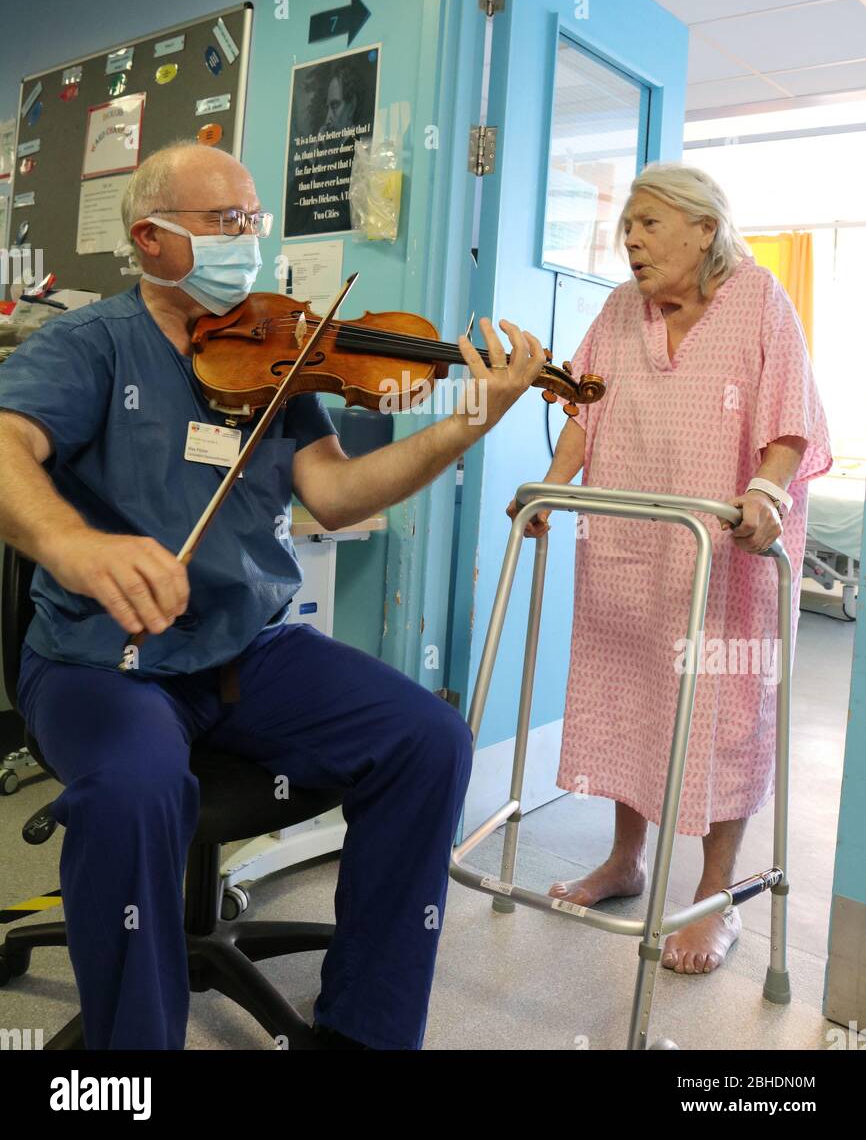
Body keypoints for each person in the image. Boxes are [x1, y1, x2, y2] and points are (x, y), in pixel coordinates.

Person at [0, 139, 546, 1050]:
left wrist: (466, 423)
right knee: (136, 791)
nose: (248, 240)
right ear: (152, 238)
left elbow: (332, 493)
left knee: (429, 740)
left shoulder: (277, 352)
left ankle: (364, 1034)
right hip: (106, 659)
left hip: (249, 648)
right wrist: (77, 547)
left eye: (254, 221)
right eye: (226, 222)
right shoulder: (87, 345)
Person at [507, 162, 831, 975]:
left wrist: (766, 491)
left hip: (729, 552)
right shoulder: (620, 310)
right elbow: (586, 406)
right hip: (638, 545)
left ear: (705, 230)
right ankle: (626, 862)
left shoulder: (759, 299)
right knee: (639, 697)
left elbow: (790, 416)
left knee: (725, 714)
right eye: (627, 227)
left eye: (650, 224)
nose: (632, 240)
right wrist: (555, 484)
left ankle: (716, 899)